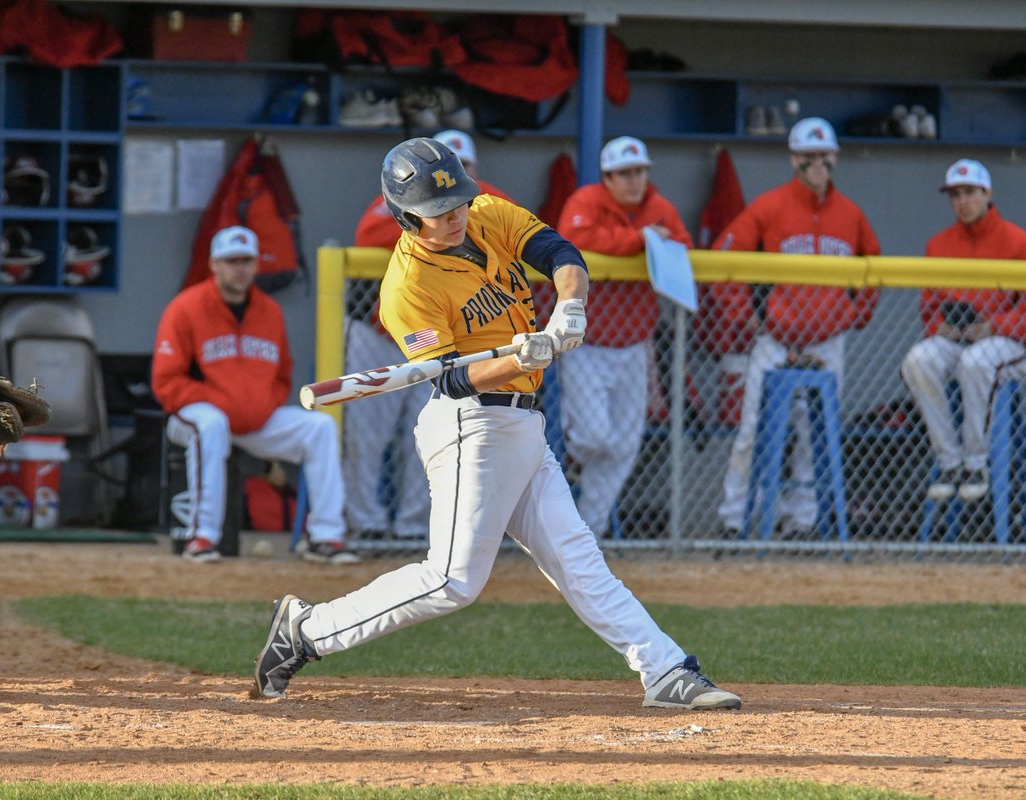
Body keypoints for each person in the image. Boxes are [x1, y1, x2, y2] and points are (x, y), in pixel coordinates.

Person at [252, 137, 741, 711]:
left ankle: (665, 671)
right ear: (407, 216)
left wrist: (569, 307)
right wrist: (521, 359)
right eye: (439, 212)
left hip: (525, 427)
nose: (455, 216)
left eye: (457, 201)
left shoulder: (485, 212)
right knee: (452, 581)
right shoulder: (406, 287)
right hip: (471, 430)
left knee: (579, 560)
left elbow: (560, 253)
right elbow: (453, 379)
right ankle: (305, 632)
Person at [712, 117, 880, 536]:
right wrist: (746, 318)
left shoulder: (851, 214)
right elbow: (720, 261)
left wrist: (854, 314)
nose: (817, 163)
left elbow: (874, 269)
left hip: (828, 343)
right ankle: (734, 520)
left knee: (814, 436)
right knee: (752, 432)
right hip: (775, 340)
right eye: (808, 156)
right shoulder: (770, 207)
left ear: (835, 157)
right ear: (793, 159)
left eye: (824, 155)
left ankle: (801, 520)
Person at [152, 226, 355, 565]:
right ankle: (201, 537)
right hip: (193, 416)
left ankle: (326, 537)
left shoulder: (269, 311)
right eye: (231, 261)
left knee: (319, 427)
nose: (240, 268)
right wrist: (225, 402)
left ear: (256, 265)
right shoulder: (185, 308)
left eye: (246, 260)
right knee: (212, 425)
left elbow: (282, 375)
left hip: (253, 421)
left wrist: (258, 406)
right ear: (214, 264)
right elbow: (167, 383)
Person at [347, 130, 513, 540]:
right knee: (367, 437)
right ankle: (364, 523)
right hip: (380, 336)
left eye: (460, 168)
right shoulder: (404, 198)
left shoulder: (484, 197)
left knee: (425, 439)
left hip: (445, 341)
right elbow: (368, 234)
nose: (446, 182)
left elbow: (515, 232)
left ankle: (411, 528)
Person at [555, 136, 692, 537]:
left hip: (635, 344)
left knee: (623, 447)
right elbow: (575, 240)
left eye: (639, 172)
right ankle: (574, 451)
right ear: (608, 178)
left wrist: (649, 238)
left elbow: (681, 243)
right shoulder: (586, 200)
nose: (634, 181)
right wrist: (640, 241)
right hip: (587, 343)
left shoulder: (659, 206)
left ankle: (586, 535)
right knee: (595, 437)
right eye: (625, 174)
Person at [900, 159, 1026, 503]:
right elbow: (929, 308)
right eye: (955, 195)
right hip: (959, 341)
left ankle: (976, 463)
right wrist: (942, 328)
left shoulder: (1020, 242)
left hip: (1008, 345)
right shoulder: (938, 244)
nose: (962, 202)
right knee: (918, 360)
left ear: (988, 194)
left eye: (970, 193)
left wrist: (994, 326)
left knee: (977, 363)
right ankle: (949, 460)